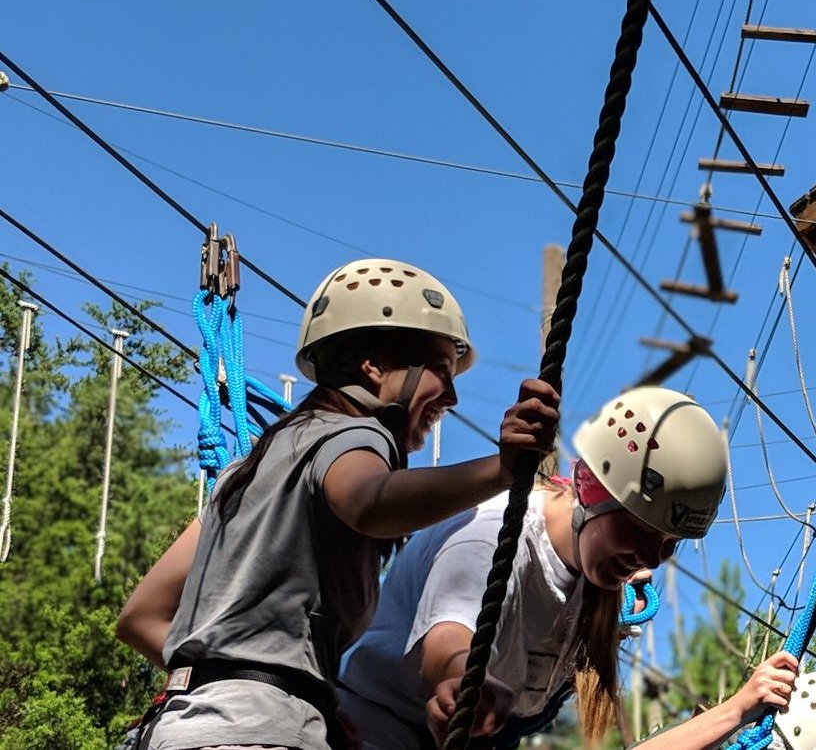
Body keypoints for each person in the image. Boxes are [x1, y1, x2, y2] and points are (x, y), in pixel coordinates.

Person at [115, 259, 561, 750]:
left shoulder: (248, 473)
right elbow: (367, 503)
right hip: (259, 734)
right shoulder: (358, 435)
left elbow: (141, 616)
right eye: (440, 369)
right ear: (373, 366)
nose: (451, 396)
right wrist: (501, 469)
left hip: (180, 728)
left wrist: (255, 684)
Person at [338, 386, 737, 750]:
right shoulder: (495, 536)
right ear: (592, 488)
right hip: (370, 729)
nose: (652, 557)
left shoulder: (591, 582)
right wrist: (467, 680)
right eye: (640, 530)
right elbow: (450, 634)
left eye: (669, 544)